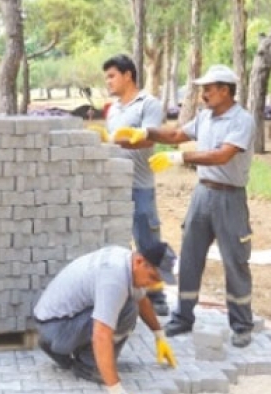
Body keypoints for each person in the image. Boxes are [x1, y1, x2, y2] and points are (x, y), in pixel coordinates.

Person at [113, 64, 256, 347]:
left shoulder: (242, 120)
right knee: (190, 256)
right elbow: (177, 136)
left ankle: (241, 325)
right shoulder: (205, 117)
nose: (203, 94)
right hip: (202, 194)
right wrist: (146, 133)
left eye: (208, 89)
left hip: (230, 197)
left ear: (225, 90)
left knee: (235, 261)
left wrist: (181, 159)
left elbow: (222, 156)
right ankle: (183, 317)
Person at [33, 234, 177, 394]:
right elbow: (101, 334)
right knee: (128, 310)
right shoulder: (114, 279)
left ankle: (57, 347)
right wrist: (115, 388)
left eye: (158, 281)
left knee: (129, 303)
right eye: (153, 277)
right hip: (57, 327)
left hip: (51, 322)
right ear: (140, 262)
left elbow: (142, 299)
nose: (153, 284)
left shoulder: (125, 260)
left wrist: (159, 335)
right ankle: (90, 366)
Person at [101, 54, 175, 316]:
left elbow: (149, 139)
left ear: (128, 75)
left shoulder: (148, 104)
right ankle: (130, 292)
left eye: (111, 76)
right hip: (115, 186)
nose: (108, 82)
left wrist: (115, 140)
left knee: (148, 241)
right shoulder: (114, 109)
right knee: (120, 242)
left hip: (140, 184)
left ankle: (156, 295)